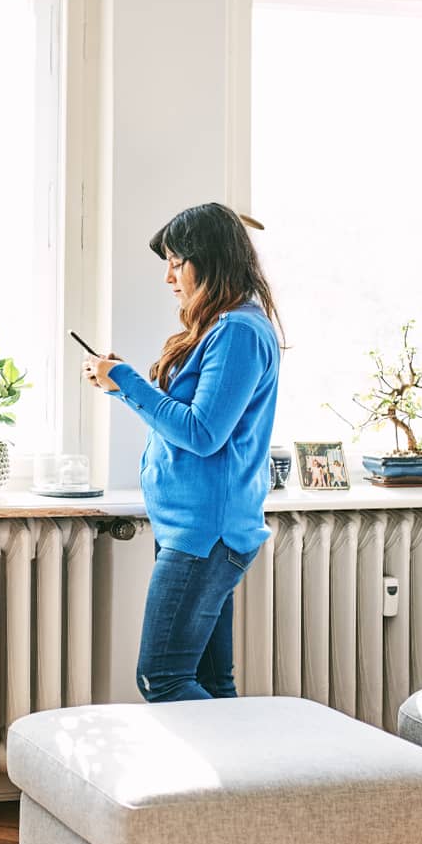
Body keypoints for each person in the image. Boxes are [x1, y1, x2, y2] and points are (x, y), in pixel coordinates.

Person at [84, 202, 282, 703]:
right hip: (193, 527)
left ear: (209, 259)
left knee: (163, 678)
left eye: (177, 262)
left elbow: (201, 432)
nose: (169, 277)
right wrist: (122, 384)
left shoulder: (237, 331)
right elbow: (189, 415)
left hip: (204, 533)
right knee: (212, 682)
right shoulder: (223, 327)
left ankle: (254, 775)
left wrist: (126, 381)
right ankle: (242, 783)